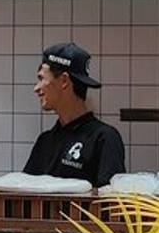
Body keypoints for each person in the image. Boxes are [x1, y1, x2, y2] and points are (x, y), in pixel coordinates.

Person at [24, 42, 126, 187]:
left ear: (64, 81)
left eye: (41, 79)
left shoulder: (103, 138)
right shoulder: (45, 141)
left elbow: (110, 197)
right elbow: (24, 192)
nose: (36, 88)